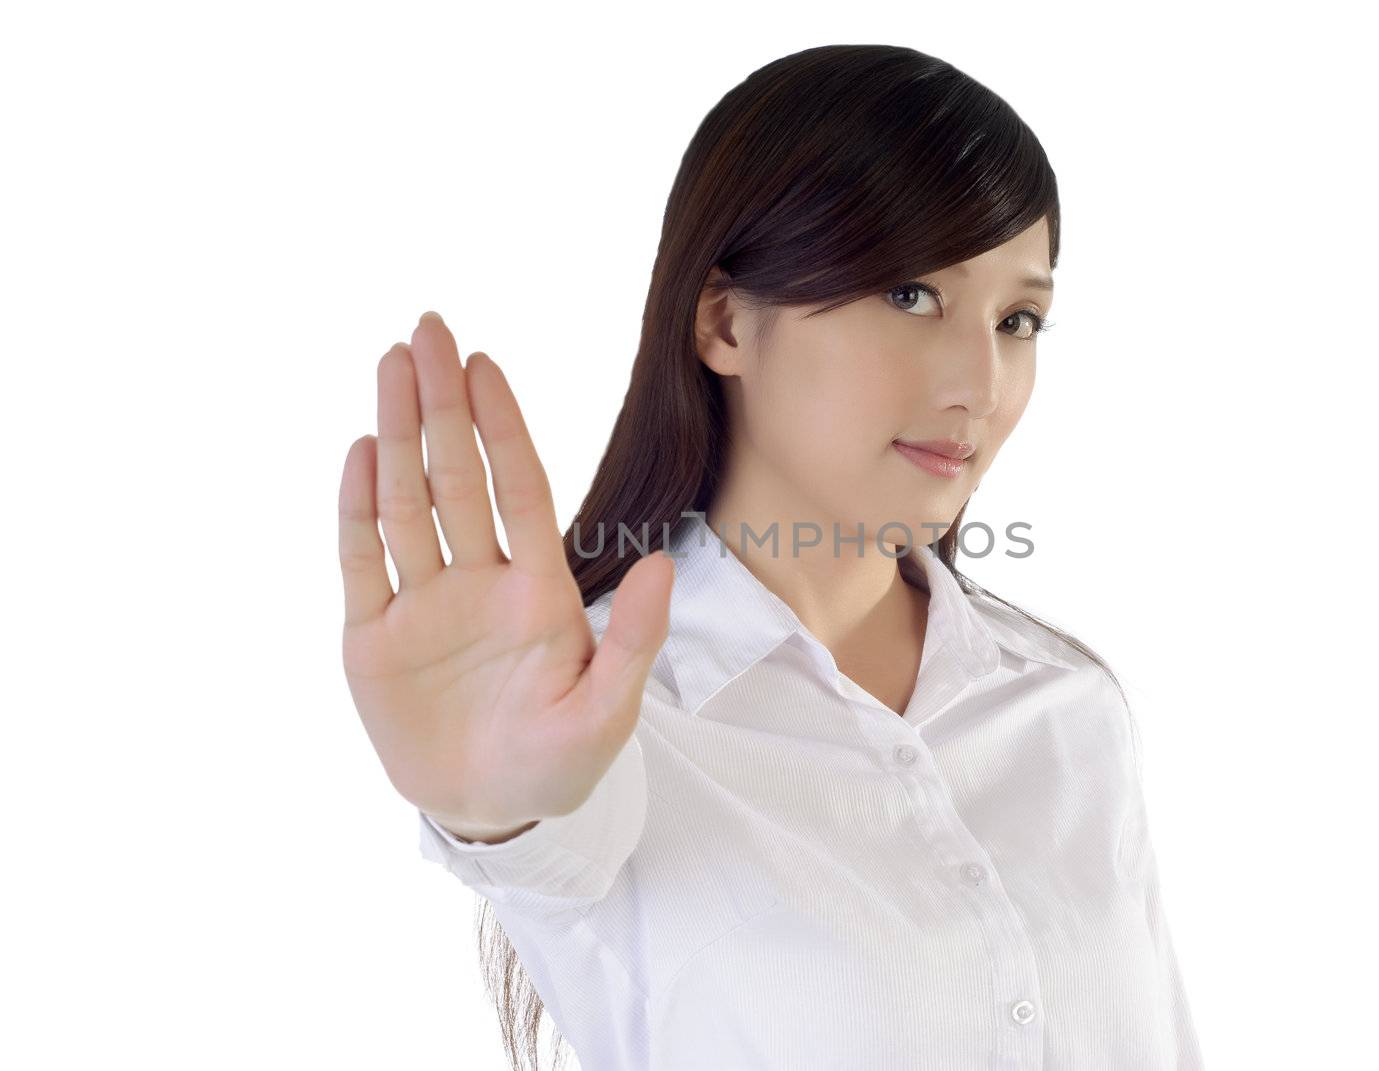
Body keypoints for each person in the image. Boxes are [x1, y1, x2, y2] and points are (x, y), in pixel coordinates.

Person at [337, 43, 1203, 1071]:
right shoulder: (602, 713)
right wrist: (491, 808)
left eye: (1018, 319)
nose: (981, 381)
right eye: (912, 296)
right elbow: (548, 831)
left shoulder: (1065, 709)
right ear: (724, 322)